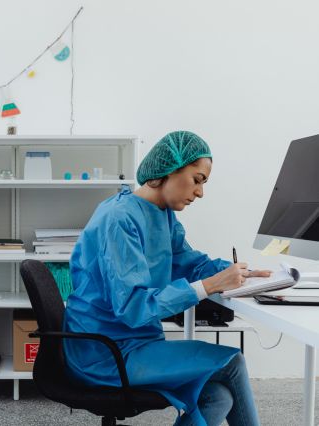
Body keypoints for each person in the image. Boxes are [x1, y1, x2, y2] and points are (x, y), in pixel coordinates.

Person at [63, 131, 271, 426]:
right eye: (197, 179)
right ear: (167, 170)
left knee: (218, 396)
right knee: (233, 362)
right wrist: (211, 285)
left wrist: (241, 273)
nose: (200, 192)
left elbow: (190, 262)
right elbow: (134, 308)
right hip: (105, 353)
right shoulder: (119, 218)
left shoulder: (162, 214)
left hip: (137, 344)